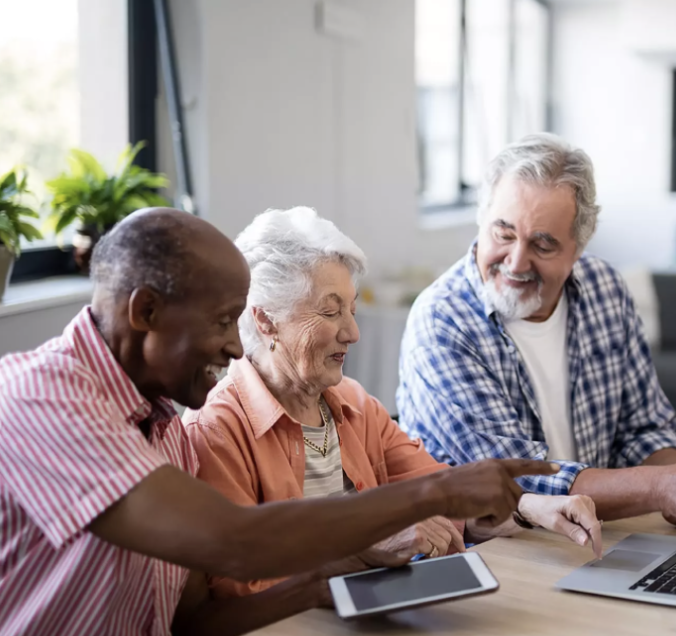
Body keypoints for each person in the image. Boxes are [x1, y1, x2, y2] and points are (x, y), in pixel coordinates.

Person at [0, 207, 558, 636]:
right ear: (145, 312)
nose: (232, 345)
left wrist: (320, 589)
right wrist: (435, 491)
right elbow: (233, 543)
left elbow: (191, 621)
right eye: (223, 321)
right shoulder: (42, 396)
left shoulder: (164, 425)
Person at [183, 206, 601, 627]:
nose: (352, 332)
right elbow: (237, 589)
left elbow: (440, 490)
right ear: (266, 320)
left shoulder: (353, 404)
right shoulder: (216, 430)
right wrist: (360, 551)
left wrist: (529, 505)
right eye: (330, 312)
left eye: (351, 309)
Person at [397, 133, 676, 525]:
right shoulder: (443, 321)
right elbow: (515, 478)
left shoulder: (606, 289)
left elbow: (644, 430)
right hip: (497, 549)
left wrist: (669, 480)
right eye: (503, 233)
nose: (515, 261)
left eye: (542, 245)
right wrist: (659, 487)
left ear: (578, 248)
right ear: (482, 218)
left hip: (599, 535)